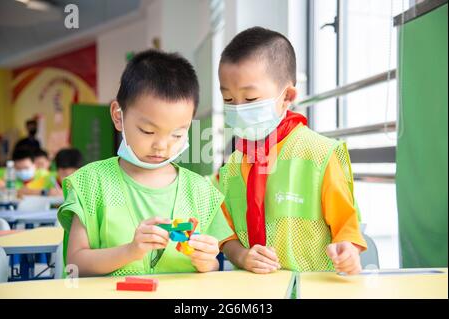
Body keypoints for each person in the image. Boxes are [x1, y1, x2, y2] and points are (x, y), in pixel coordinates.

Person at [57, 49, 234, 277]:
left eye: (177, 134)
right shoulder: (91, 184)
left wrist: (206, 263)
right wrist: (130, 251)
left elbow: (214, 266)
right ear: (118, 116)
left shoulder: (201, 191)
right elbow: (75, 265)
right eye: (148, 131)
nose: (162, 145)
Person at [218, 27, 367, 275]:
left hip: (313, 289)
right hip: (252, 295)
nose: (239, 109)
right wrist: (242, 256)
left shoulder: (321, 154)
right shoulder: (233, 163)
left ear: (287, 96)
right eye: (229, 100)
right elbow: (224, 234)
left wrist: (348, 252)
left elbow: (347, 229)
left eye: (251, 99)